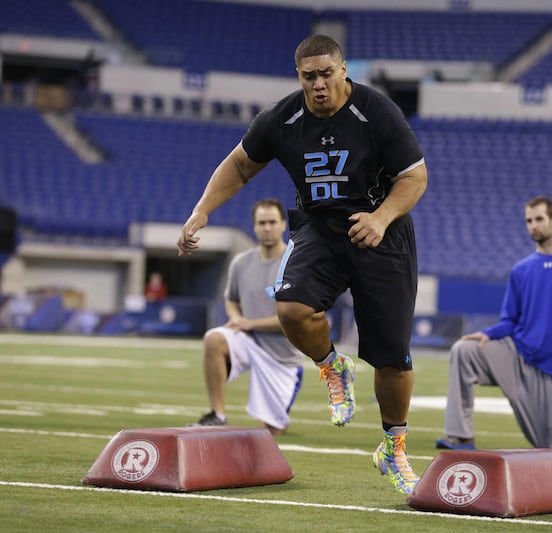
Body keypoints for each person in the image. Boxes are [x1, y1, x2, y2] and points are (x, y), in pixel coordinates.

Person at [176, 35, 427, 495]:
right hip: (320, 230)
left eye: (325, 74)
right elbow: (238, 166)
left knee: (392, 357)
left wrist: (381, 216)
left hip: (381, 234)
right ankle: (333, 367)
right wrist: (201, 210)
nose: (318, 85)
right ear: (299, 78)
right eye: (308, 76)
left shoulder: (377, 111)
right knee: (291, 307)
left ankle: (393, 448)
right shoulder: (282, 118)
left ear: (343, 70)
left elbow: (415, 177)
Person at [435, 196, 552, 451]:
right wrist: (487, 334)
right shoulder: (521, 269)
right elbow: (510, 320)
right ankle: (460, 436)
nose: (533, 225)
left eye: (539, 219)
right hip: (516, 354)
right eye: (529, 221)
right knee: (463, 351)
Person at [189, 198, 305, 435]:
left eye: (272, 222)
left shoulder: (296, 263)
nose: (267, 228)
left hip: (282, 356)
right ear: (254, 226)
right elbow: (231, 298)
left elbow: (294, 318)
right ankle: (217, 414)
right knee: (214, 338)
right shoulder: (241, 263)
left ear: (284, 225)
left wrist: (247, 322)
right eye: (262, 223)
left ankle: (276, 415)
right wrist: (235, 318)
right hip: (250, 340)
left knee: (272, 431)